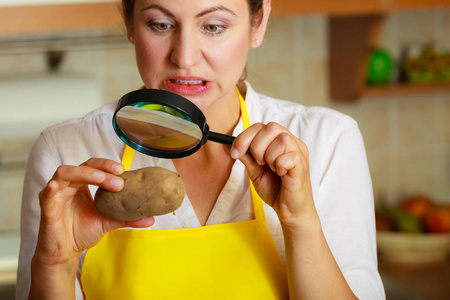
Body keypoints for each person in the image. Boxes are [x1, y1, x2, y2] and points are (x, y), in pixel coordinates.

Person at [16, 0, 385, 299]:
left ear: (258, 23)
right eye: (160, 24)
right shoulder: (65, 151)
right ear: (130, 23)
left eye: (213, 26)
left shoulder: (327, 140)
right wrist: (55, 265)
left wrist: (301, 222)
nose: (185, 57)